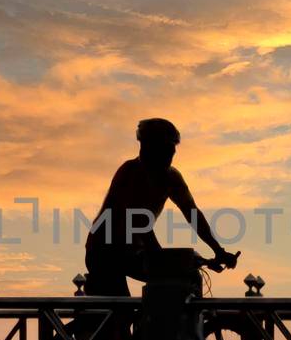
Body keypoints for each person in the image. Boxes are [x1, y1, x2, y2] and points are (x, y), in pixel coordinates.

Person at [83, 118, 237, 296]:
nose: (168, 157)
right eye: (162, 150)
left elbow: (193, 215)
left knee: (186, 276)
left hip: (133, 250)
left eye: (171, 151)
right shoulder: (130, 172)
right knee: (119, 313)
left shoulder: (171, 178)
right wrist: (161, 258)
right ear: (146, 148)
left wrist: (218, 250)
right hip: (104, 252)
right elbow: (138, 222)